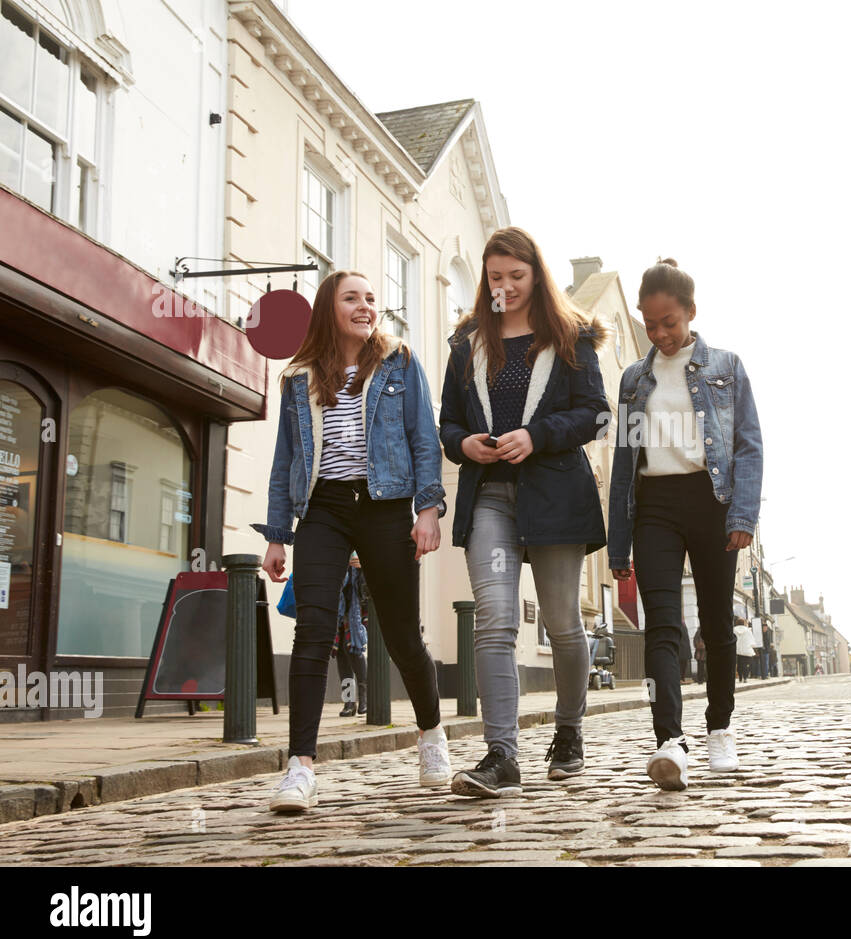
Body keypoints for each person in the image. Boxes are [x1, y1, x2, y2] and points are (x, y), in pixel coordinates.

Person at [256, 270, 449, 813]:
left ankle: (432, 736)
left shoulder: (399, 362)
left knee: (399, 633)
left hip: (385, 505)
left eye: (370, 298)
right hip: (323, 510)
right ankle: (300, 767)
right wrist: (277, 536)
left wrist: (428, 509)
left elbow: (423, 439)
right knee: (314, 628)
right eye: (352, 298)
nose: (366, 306)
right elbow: (285, 462)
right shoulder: (299, 376)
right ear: (329, 309)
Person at [439, 226, 609, 797]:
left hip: (556, 494)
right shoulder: (466, 343)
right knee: (495, 623)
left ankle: (568, 733)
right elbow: (448, 423)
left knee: (563, 623)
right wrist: (463, 445)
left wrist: (537, 435)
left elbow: (596, 414)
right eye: (495, 278)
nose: (505, 287)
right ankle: (502, 756)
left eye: (516, 276)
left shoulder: (569, 336)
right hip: (489, 495)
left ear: (536, 273)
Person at [609, 258, 763, 790]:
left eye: (668, 322)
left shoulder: (727, 366)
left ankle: (719, 728)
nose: (660, 334)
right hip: (655, 506)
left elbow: (749, 446)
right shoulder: (634, 379)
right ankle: (669, 741)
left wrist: (742, 514)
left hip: (712, 501)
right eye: (650, 325)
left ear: (690, 313)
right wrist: (617, 543)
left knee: (717, 624)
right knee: (663, 625)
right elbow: (624, 463)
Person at [334, 554, 368, 717]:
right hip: (336, 603)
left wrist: (363, 565)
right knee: (340, 652)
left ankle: (364, 697)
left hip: (354, 604)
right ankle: (348, 701)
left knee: (354, 650)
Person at [734, 616, 755, 683]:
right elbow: (752, 640)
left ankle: (740, 677)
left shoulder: (733, 630)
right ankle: (745, 677)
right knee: (746, 664)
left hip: (737, 650)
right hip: (746, 650)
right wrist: (753, 645)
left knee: (739, 664)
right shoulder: (748, 630)